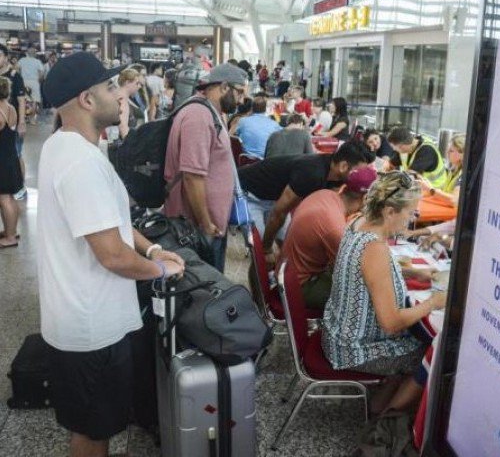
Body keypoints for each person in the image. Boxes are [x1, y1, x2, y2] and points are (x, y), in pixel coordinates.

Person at [39, 52, 185, 457]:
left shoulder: (65, 146)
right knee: (92, 433)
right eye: (109, 87)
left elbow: (113, 223)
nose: (120, 95)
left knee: (92, 426)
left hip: (81, 318)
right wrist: (159, 268)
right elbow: (112, 256)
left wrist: (152, 246)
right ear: (86, 99)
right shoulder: (80, 163)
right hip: (91, 330)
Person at [322, 171, 447, 411]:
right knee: (431, 355)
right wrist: (433, 302)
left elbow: (365, 273)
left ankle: (380, 404)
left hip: (338, 333)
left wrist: (410, 274)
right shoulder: (374, 247)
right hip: (353, 349)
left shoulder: (357, 222)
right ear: (389, 211)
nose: (411, 219)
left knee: (417, 338)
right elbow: (390, 323)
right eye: (410, 212)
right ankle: (385, 425)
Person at [164, 63, 248, 272]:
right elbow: (192, 176)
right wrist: (206, 223)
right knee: (206, 295)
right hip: (197, 228)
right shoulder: (199, 116)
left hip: (208, 226)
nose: (241, 100)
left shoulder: (212, 113)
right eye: (239, 92)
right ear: (224, 87)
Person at [239, 141, 374, 265]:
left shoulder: (338, 176)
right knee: (260, 253)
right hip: (249, 193)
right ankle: (261, 288)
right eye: (360, 172)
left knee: (287, 247)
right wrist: (267, 249)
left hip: (273, 197)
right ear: (343, 166)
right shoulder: (311, 173)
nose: (362, 176)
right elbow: (279, 213)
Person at [280, 166, 377, 309]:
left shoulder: (325, 194)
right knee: (369, 300)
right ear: (366, 198)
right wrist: (411, 273)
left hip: (288, 274)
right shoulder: (334, 227)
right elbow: (362, 271)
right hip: (301, 288)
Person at [0, 45, 27, 200]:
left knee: (16, 153)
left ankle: (20, 186)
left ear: (5, 56)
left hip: (11, 122)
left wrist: (22, 122)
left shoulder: (14, 75)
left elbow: (21, 99)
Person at [0, 76, 22, 248]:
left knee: (4, 198)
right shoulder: (11, 108)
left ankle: (10, 238)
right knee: (10, 197)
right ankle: (11, 231)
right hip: (10, 157)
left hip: (1, 160)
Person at [418, 133, 466, 206]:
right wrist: (428, 187)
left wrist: (431, 189)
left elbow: (454, 200)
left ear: (462, 154)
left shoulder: (463, 174)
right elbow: (445, 192)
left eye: (451, 151)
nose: (447, 152)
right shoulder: (454, 169)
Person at [18, 46, 44, 121]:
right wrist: (39, 80)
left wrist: (20, 76)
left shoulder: (22, 60)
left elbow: (16, 68)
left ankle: (24, 118)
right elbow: (42, 73)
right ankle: (32, 119)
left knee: (24, 100)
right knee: (34, 100)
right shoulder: (37, 61)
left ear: (27, 53)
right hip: (34, 82)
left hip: (24, 82)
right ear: (34, 53)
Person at [117, 68, 143, 133]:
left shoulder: (123, 98)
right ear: (127, 82)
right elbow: (123, 128)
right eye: (136, 83)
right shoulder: (122, 100)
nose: (139, 86)